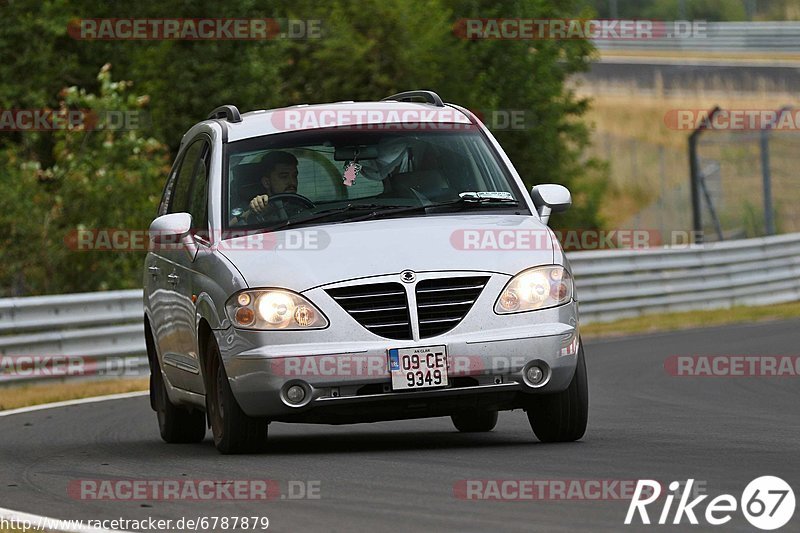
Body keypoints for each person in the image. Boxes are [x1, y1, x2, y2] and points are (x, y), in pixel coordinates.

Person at [231, 151, 299, 225]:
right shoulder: (255, 207)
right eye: (284, 177)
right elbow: (228, 228)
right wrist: (253, 210)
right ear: (267, 182)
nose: (292, 182)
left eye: (294, 176)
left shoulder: (300, 205)